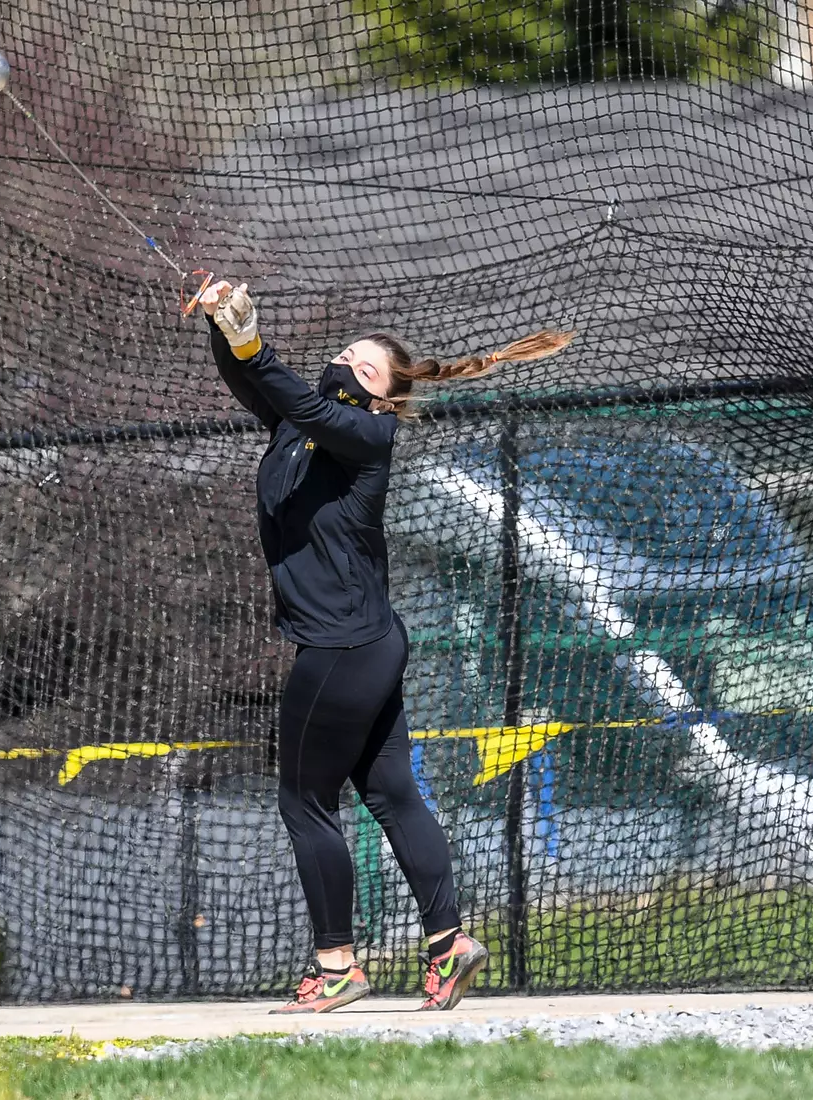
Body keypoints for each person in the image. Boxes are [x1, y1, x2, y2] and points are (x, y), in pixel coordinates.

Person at [197, 279, 573, 1013]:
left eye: (361, 368)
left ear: (382, 398)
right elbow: (252, 380)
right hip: (366, 642)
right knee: (391, 792)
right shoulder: (296, 430)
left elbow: (291, 389)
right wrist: (223, 325)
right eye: (343, 353)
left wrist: (252, 340)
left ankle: (335, 964)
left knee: (305, 802)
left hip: (342, 647)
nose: (342, 364)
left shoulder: (370, 435)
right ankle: (448, 945)